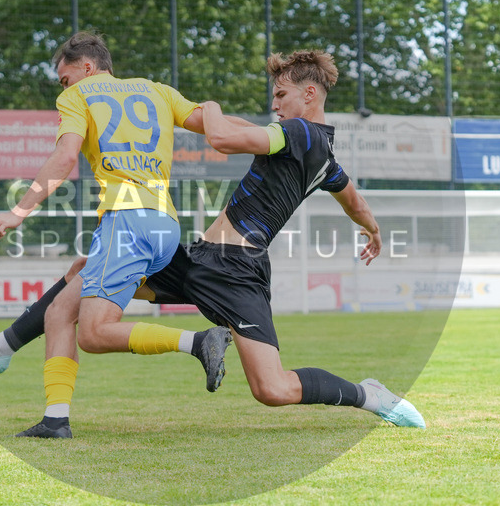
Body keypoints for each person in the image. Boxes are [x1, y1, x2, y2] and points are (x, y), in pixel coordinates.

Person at [0, 31, 231, 439]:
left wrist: (17, 212)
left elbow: (63, 159)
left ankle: (199, 342)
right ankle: (48, 411)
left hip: (127, 221)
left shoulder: (78, 97)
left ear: (88, 67)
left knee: (94, 333)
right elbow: (216, 128)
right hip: (165, 223)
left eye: (64, 78)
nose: (64, 87)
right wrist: (278, 135)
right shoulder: (158, 91)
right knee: (63, 307)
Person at [135, 50, 424, 428]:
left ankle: (369, 394)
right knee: (92, 282)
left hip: (237, 272)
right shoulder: (322, 155)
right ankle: (52, 402)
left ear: (309, 94)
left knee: (272, 389)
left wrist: (211, 105)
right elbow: (354, 201)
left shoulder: (299, 132)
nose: (274, 104)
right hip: (200, 259)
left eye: (280, 95)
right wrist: (373, 229)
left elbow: (221, 138)